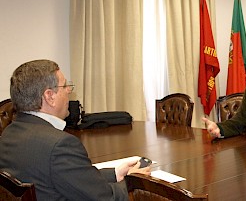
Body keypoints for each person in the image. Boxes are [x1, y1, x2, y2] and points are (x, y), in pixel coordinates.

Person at [0, 59, 151, 200]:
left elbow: (70, 177)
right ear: (49, 96)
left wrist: (115, 173)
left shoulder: (9, 133)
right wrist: (132, 181)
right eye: (65, 86)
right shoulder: (59, 145)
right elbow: (105, 198)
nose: (69, 91)